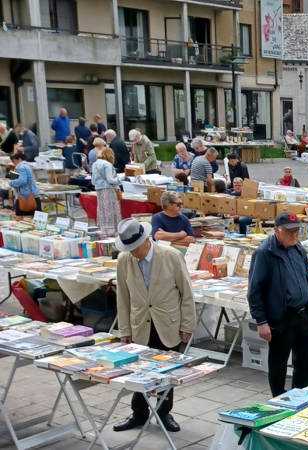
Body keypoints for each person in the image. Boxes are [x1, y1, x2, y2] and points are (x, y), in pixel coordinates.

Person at [113, 218, 195, 433]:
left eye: (134, 248)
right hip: (140, 324)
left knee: (166, 372)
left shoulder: (171, 256)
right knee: (137, 372)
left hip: (167, 323)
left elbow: (187, 293)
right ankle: (138, 413)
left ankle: (164, 412)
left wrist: (187, 325)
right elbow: (122, 298)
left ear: (145, 241)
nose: (131, 252)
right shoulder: (124, 260)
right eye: (128, 248)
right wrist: (125, 330)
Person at [248, 213, 308, 396]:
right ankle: (278, 399)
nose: (294, 235)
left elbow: (307, 279)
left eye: (296, 231)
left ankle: (301, 397)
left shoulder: (298, 248)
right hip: (281, 317)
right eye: (289, 232)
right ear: (277, 231)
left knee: (305, 362)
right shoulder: (265, 253)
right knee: (279, 363)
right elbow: (254, 290)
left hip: (302, 315)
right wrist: (261, 321)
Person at [91, 147, 122, 238]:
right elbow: (111, 180)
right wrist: (122, 178)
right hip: (108, 190)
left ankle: (104, 229)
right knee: (111, 209)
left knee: (102, 209)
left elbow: (93, 181)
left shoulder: (95, 164)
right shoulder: (107, 164)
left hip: (99, 190)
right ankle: (112, 231)